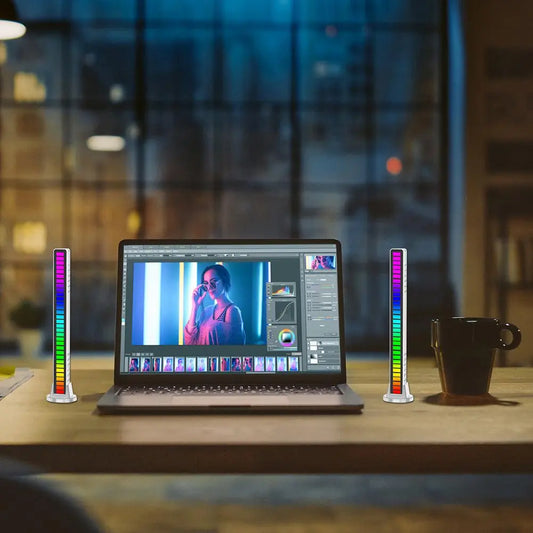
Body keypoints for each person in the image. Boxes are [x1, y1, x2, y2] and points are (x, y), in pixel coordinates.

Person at [185, 264, 246, 345]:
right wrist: (195, 307)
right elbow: (190, 341)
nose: (209, 287)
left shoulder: (232, 311)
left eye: (213, 281)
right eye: (206, 283)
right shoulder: (207, 311)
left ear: (224, 280)